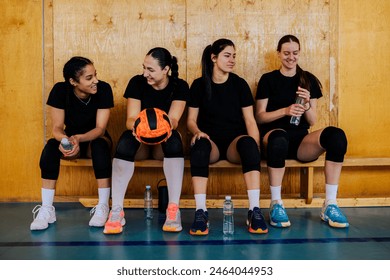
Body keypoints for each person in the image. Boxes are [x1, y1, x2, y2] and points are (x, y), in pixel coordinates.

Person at [255, 34, 349, 228]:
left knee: (336, 136)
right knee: (279, 138)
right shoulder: (268, 79)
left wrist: (306, 105)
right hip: (272, 138)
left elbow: (312, 120)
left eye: (295, 53)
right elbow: (260, 116)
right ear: (278, 54)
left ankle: (330, 204)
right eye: (286, 53)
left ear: (299, 53)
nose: (291, 57)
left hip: (300, 143)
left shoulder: (308, 80)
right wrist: (285, 111)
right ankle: (276, 203)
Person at [103, 47, 189, 234]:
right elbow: (130, 120)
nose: (145, 73)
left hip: (162, 143)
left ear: (165, 69)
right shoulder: (137, 82)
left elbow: (173, 121)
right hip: (140, 141)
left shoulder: (180, 86)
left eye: (150, 70)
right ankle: (117, 210)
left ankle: (173, 209)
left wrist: (157, 127)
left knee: (174, 140)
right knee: (125, 141)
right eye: (144, 68)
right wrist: (141, 129)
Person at [187, 38, 268, 235]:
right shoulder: (199, 85)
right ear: (214, 57)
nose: (232, 60)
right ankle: (200, 212)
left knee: (249, 144)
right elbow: (190, 120)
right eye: (227, 55)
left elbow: (250, 120)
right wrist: (197, 132)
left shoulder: (239, 84)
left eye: (234, 56)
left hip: (234, 143)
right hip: (210, 142)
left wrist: (255, 146)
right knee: (199, 146)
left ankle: (254, 210)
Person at [30, 56, 114, 230]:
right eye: (89, 78)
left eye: (95, 75)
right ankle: (47, 209)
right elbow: (57, 128)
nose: (95, 81)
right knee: (50, 149)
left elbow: (100, 128)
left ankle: (103, 206)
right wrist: (66, 141)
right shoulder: (60, 90)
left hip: (93, 139)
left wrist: (79, 138)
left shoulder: (104, 89)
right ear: (73, 81)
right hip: (71, 139)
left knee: (100, 147)